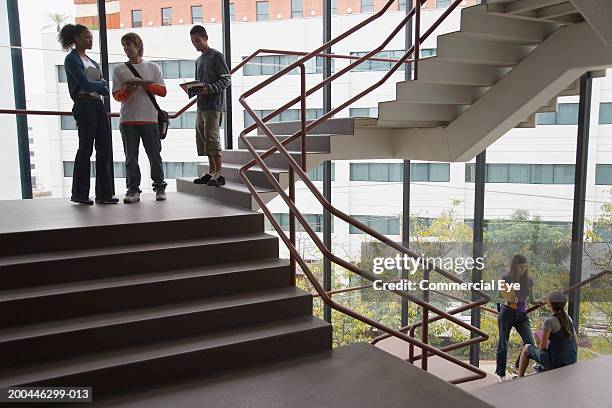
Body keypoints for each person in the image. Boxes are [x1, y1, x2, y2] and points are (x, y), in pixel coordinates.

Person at [59, 24, 117, 205]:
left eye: (91, 37)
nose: (90, 40)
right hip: (84, 104)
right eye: (86, 37)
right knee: (86, 148)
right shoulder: (71, 59)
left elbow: (105, 90)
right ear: (76, 39)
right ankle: (79, 193)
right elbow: (86, 84)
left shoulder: (92, 62)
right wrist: (99, 83)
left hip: (98, 105)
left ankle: (104, 194)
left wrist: (99, 85)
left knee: (105, 148)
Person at [112, 32, 167, 203]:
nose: (127, 48)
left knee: (154, 156)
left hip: (150, 119)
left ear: (138, 46)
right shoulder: (119, 69)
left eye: (129, 44)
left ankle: (159, 188)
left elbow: (163, 91)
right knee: (131, 158)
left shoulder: (153, 67)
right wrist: (129, 91)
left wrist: (146, 85)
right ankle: (133, 191)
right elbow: (116, 95)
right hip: (128, 120)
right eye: (124, 46)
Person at [189, 25, 231, 187]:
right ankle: (212, 171)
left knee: (212, 139)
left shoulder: (216, 56)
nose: (195, 44)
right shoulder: (198, 60)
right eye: (193, 41)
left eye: (198, 40)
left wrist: (208, 88)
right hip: (201, 106)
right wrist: (192, 89)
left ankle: (219, 173)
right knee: (203, 139)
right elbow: (199, 83)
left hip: (214, 106)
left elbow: (226, 80)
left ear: (206, 38)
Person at [495, 254, 538, 381]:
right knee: (503, 343)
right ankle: (501, 374)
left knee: (530, 342)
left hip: (522, 315)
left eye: (525, 267)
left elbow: (533, 299)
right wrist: (508, 299)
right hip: (507, 313)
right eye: (521, 267)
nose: (524, 269)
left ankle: (517, 366)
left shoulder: (528, 280)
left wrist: (542, 301)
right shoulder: (506, 278)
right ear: (515, 266)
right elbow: (497, 298)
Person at [518, 291, 577, 376]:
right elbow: (575, 341)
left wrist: (537, 346)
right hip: (571, 360)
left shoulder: (549, 321)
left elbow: (543, 346)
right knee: (542, 340)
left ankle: (519, 378)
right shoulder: (568, 318)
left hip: (556, 363)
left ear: (550, 304)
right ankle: (542, 367)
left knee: (527, 348)